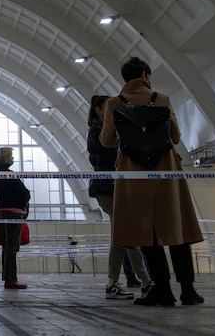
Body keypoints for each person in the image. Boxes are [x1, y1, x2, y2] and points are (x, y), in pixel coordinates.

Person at [100, 57, 204, 306]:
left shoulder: (115, 103)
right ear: (146, 75)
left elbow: (106, 141)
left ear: (125, 78)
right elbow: (175, 137)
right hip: (166, 172)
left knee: (147, 233)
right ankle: (188, 290)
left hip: (134, 174)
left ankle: (162, 290)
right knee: (177, 232)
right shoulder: (162, 99)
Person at [86, 93, 152, 300]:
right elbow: (104, 152)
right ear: (98, 109)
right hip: (106, 188)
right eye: (108, 106)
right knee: (123, 232)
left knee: (125, 232)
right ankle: (123, 282)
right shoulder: (97, 132)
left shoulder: (114, 130)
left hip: (118, 187)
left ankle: (139, 281)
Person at [0, 146, 30, 289]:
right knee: (12, 246)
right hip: (13, 212)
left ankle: (7, 277)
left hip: (0, 211)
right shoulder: (9, 174)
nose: (13, 158)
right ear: (6, 157)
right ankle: (11, 279)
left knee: (6, 246)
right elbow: (24, 193)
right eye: (11, 155)